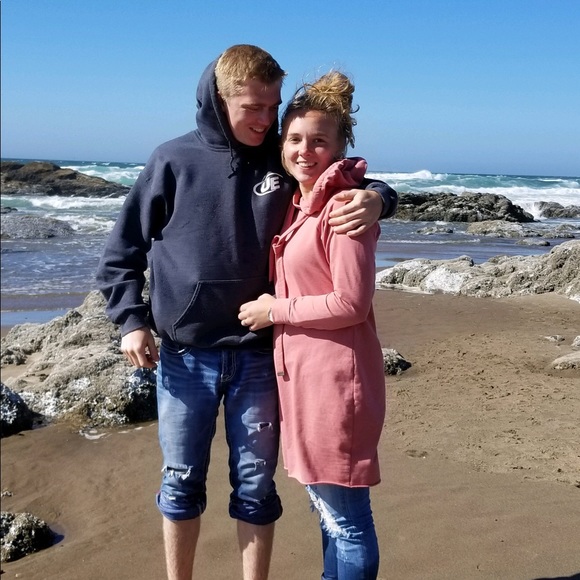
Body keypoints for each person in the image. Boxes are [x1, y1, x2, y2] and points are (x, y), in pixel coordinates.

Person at [96, 45, 396, 580]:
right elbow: (123, 250)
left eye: (272, 107)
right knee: (180, 481)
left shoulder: (278, 158)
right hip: (185, 356)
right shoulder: (173, 160)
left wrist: (380, 197)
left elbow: (335, 177)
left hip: (258, 356)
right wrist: (131, 320)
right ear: (220, 99)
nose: (265, 120)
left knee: (256, 487)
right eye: (252, 108)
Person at [238, 71, 386, 579]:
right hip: (304, 381)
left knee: (347, 520)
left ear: (340, 147)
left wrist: (274, 309)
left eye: (319, 141)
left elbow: (351, 303)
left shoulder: (342, 208)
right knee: (327, 511)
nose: (305, 151)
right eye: (295, 139)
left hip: (335, 384)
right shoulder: (300, 204)